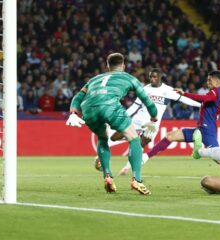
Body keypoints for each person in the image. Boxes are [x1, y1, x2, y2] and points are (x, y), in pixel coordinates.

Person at [66, 52, 158, 195]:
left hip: (88, 109)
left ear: (107, 66)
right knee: (133, 138)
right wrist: (153, 118)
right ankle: (137, 180)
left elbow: (78, 96)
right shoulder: (129, 78)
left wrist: (72, 113)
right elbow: (148, 102)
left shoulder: (94, 79)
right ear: (123, 65)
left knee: (103, 138)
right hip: (109, 106)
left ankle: (108, 176)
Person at [93, 68, 201, 175]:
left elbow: (184, 99)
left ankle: (126, 168)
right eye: (150, 77)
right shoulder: (145, 89)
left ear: (160, 77)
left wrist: (201, 105)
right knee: (114, 137)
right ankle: (110, 151)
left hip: (152, 125)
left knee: (141, 144)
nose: (152, 79)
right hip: (138, 120)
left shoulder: (168, 90)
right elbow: (135, 107)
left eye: (155, 77)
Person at [136, 70, 220, 167]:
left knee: (219, 161)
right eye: (207, 80)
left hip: (207, 130)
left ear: (217, 82)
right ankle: (145, 157)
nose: (207, 83)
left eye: (210, 80)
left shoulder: (214, 92)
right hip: (200, 129)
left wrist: (185, 94)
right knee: (170, 136)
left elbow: (203, 98)